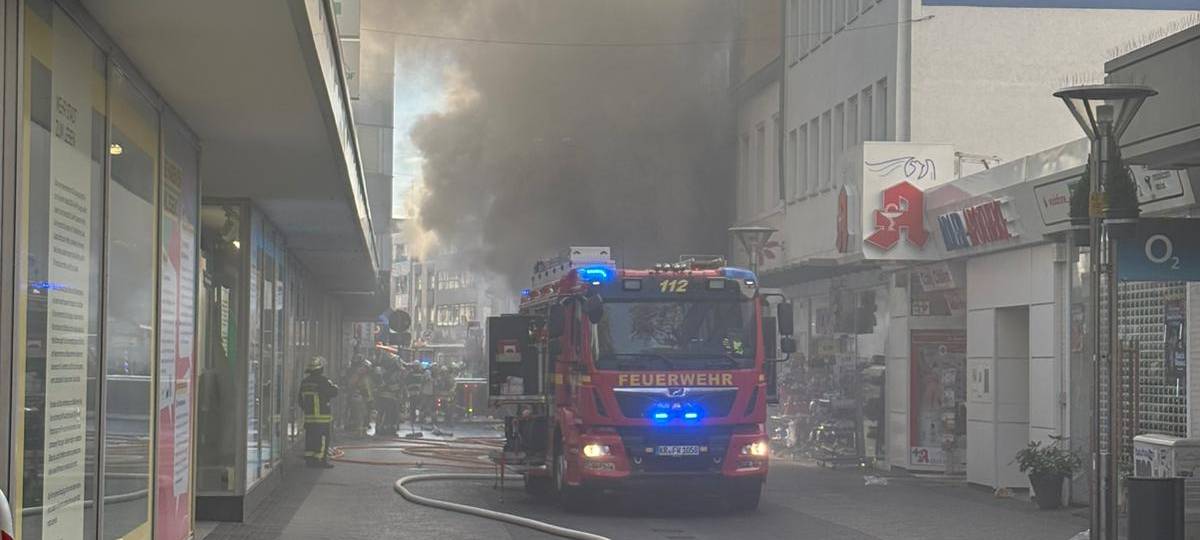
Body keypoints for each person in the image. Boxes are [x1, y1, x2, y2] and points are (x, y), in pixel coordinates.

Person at [299, 356, 339, 468]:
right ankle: (321, 460)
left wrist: (307, 410)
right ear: (320, 369)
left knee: (310, 437)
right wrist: (335, 386)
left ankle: (309, 460)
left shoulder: (304, 382)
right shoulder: (323, 381)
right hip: (322, 417)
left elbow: (299, 399)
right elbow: (334, 392)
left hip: (309, 417)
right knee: (323, 438)